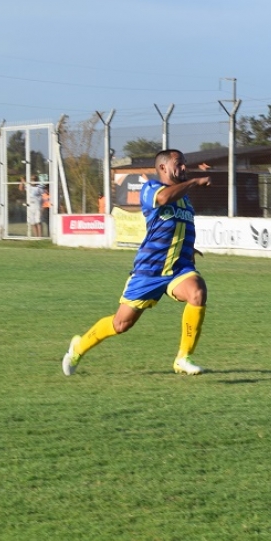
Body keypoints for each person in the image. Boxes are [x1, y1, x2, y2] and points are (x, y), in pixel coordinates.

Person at [63, 149, 211, 376]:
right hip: (149, 270)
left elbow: (177, 226)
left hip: (178, 268)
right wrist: (194, 181)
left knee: (197, 292)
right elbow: (163, 199)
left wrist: (188, 248)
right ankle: (78, 347)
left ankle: (183, 358)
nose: (183, 167)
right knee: (121, 325)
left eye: (184, 164)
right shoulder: (151, 188)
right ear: (162, 168)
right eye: (178, 163)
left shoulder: (185, 201)